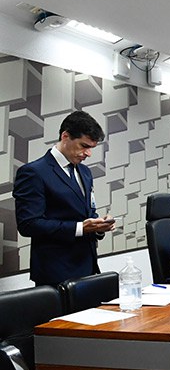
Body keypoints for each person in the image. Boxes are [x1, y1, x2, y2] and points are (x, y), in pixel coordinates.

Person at [13, 111, 115, 287]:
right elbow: (28, 224)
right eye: (84, 146)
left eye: (91, 148)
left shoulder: (85, 172)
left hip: (88, 268)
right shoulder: (33, 172)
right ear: (65, 136)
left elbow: (87, 211)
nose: (88, 154)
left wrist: (98, 226)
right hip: (55, 273)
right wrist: (80, 228)